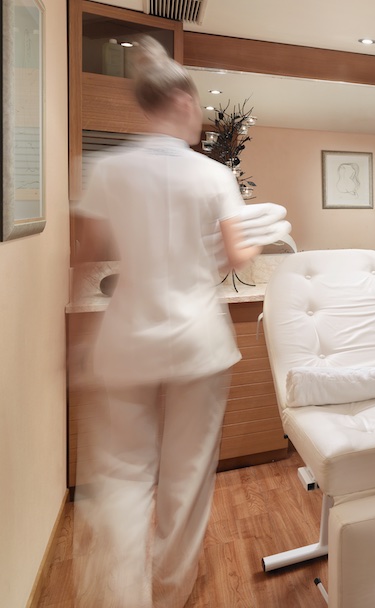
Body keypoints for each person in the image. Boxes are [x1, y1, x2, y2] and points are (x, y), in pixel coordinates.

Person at [71, 35, 260, 608]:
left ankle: (120, 595)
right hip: (196, 343)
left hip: (127, 340)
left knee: (125, 476)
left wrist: (79, 341)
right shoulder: (213, 176)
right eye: (197, 105)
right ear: (181, 102)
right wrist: (242, 242)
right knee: (187, 477)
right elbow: (239, 257)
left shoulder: (108, 169)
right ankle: (171, 591)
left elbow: (86, 255)